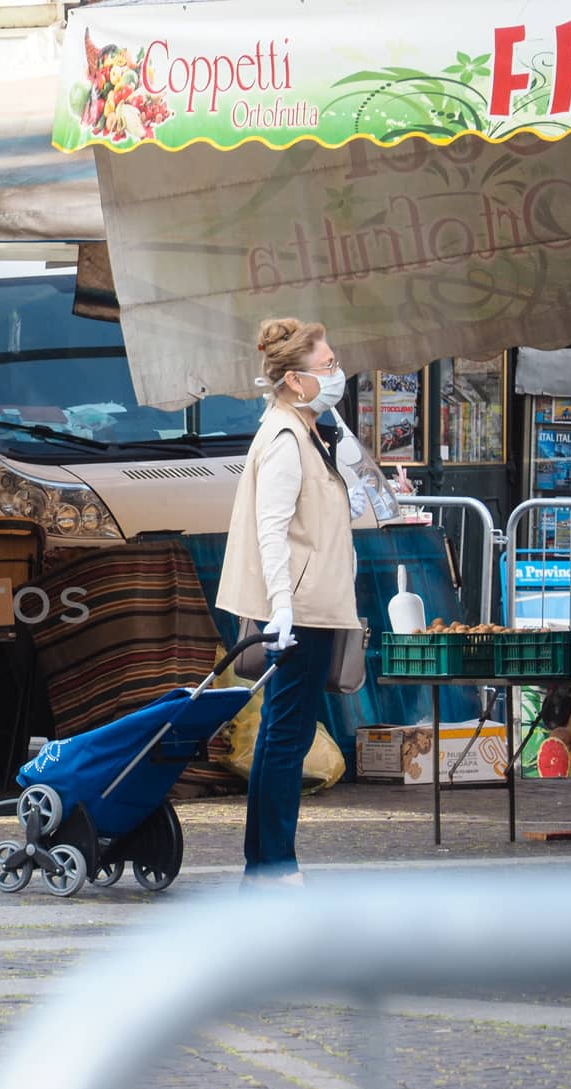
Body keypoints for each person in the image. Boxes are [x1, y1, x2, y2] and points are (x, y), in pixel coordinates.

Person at [217, 318, 363, 886]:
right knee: (287, 735)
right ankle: (273, 865)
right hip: (300, 609)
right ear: (297, 381)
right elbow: (271, 529)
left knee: (287, 730)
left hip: (311, 604)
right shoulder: (283, 438)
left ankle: (266, 862)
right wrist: (280, 606)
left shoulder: (304, 431)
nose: (336, 373)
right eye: (327, 366)